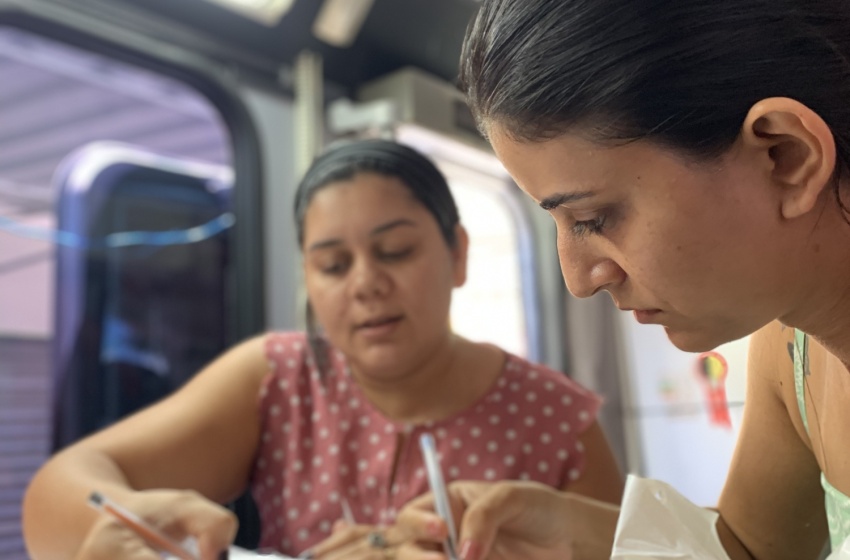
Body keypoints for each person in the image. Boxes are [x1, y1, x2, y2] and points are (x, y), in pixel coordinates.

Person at [393, 1, 850, 559]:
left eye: (593, 219)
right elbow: (752, 549)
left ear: (786, 156)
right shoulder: (789, 351)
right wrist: (561, 531)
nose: (578, 280)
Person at [21, 139, 623, 560]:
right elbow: (62, 486)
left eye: (395, 252)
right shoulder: (277, 378)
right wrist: (123, 528)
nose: (365, 283)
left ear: (458, 254)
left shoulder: (557, 420)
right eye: (333, 264)